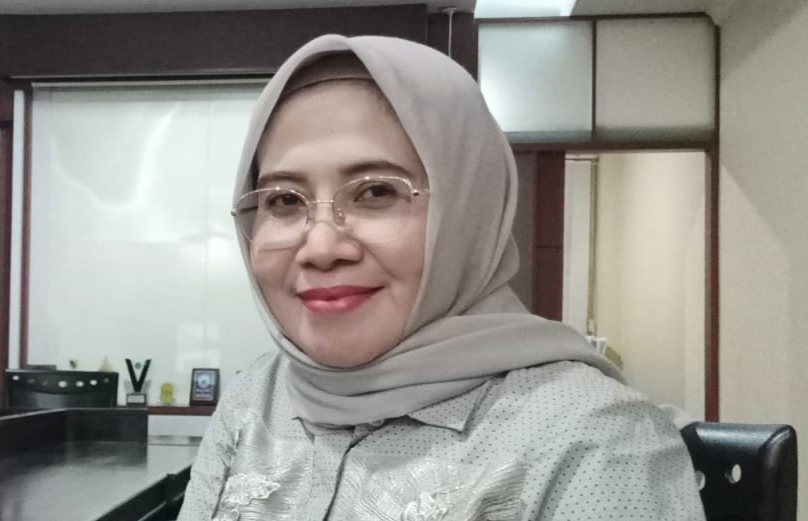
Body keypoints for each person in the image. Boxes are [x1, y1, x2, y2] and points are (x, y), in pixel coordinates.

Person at [178, 34, 705, 521]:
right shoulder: (257, 397)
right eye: (284, 200)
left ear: (468, 210)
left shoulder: (593, 438)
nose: (320, 248)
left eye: (376, 191)